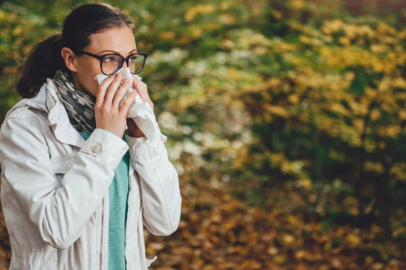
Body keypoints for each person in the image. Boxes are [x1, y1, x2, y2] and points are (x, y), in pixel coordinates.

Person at [0, 2, 182, 270]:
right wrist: (106, 136)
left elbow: (165, 222)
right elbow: (57, 230)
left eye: (131, 59)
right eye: (110, 59)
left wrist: (145, 139)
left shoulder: (131, 122)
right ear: (71, 59)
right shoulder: (27, 124)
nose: (124, 74)